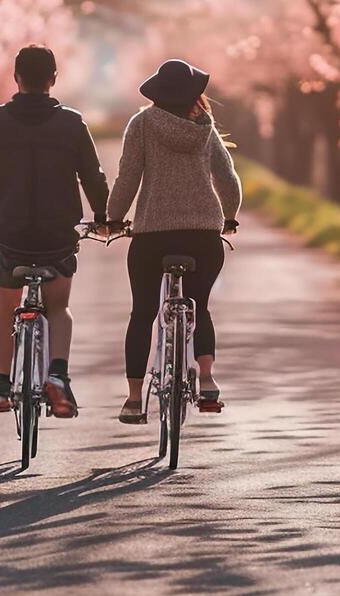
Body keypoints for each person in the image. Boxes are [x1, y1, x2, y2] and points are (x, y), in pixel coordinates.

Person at [0, 44, 108, 418]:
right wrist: (103, 215)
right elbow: (91, 175)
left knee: (5, 304)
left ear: (16, 77)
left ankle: (1, 384)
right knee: (58, 306)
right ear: (53, 79)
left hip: (12, 231)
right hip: (57, 233)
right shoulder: (72, 122)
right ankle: (58, 375)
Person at [105, 58, 241, 424]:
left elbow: (128, 178)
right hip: (203, 235)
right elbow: (227, 179)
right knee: (202, 307)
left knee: (142, 313)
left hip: (152, 235)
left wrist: (113, 218)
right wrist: (229, 217)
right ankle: (208, 380)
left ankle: (134, 400)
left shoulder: (142, 124)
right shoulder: (205, 127)